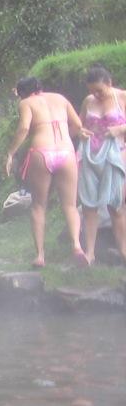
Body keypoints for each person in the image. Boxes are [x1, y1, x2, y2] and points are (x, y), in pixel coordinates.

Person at [5, 77, 90, 268]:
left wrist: (11, 153)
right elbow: (77, 125)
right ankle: (77, 246)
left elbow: (24, 127)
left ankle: (40, 256)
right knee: (70, 204)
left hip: (41, 153)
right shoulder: (60, 98)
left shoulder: (26, 103)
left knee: (38, 206)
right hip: (66, 152)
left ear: (22, 93)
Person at [78, 65, 126, 264]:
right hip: (91, 156)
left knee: (115, 205)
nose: (95, 94)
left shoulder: (122, 97)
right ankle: (90, 253)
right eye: (91, 91)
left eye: (99, 90)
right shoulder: (88, 101)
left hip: (116, 155)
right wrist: (80, 132)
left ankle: (123, 251)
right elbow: (78, 125)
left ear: (109, 83)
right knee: (89, 206)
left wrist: (119, 129)